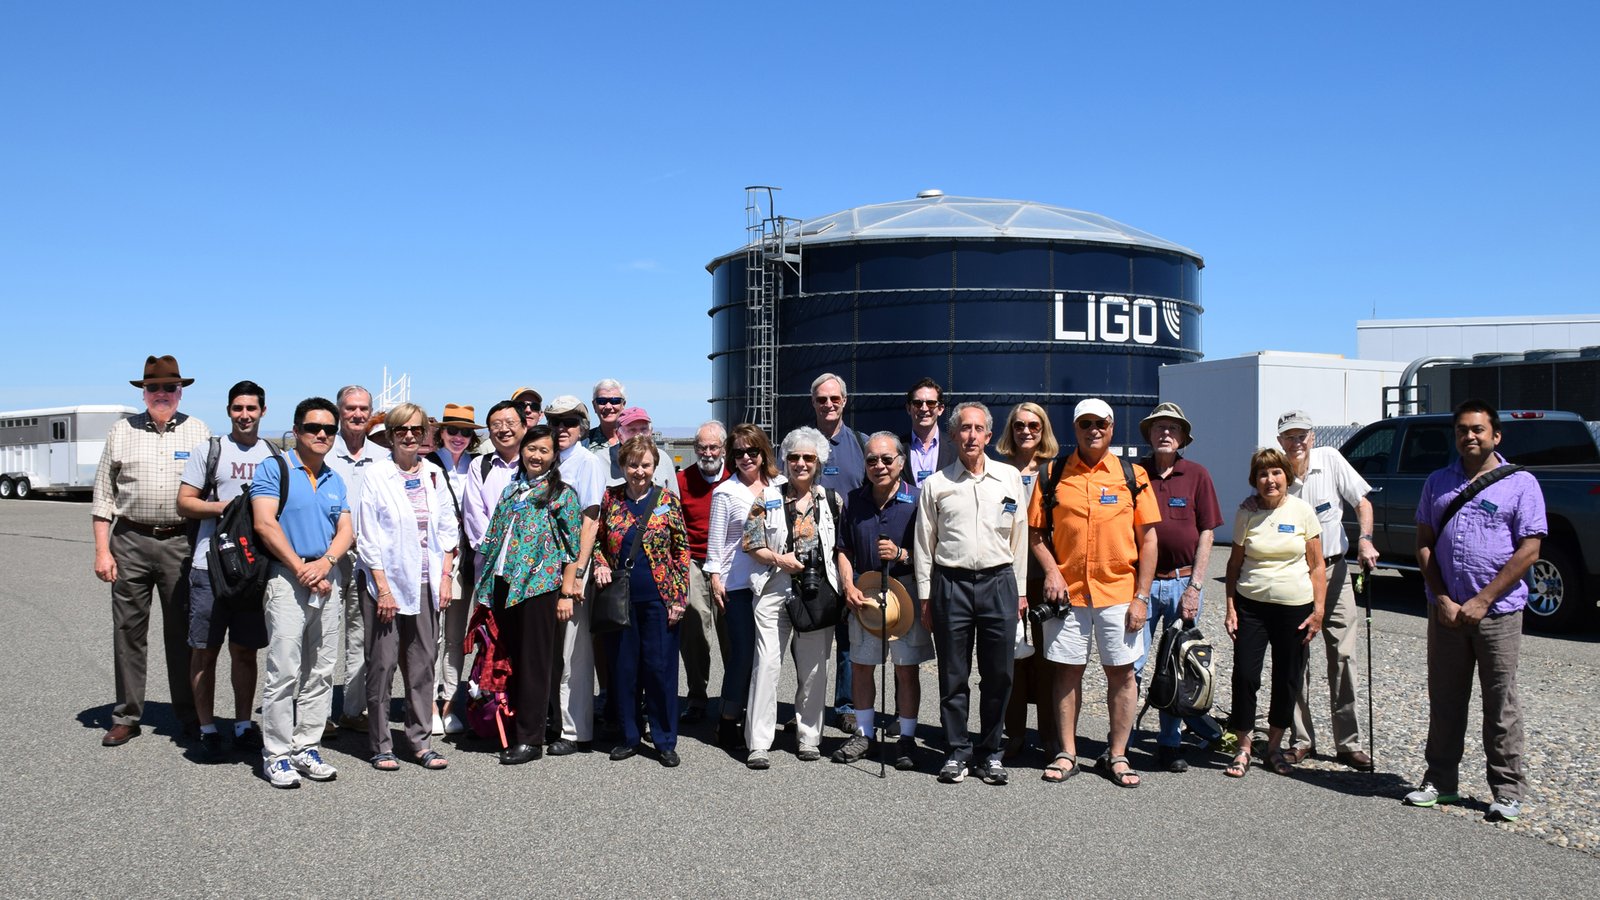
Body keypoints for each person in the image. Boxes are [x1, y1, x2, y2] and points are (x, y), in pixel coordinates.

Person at [1404, 400, 1545, 822]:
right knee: (1445, 700)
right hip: (1445, 613)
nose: (1470, 436)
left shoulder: (1521, 484)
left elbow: (1531, 550)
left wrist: (1483, 600)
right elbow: (1424, 543)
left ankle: (1505, 790)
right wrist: (1443, 597)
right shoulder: (1437, 482)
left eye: (1479, 430)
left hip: (1498, 613)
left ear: (1495, 435)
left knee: (1500, 702)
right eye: (1463, 430)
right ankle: (1441, 782)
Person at [1029, 399, 1159, 787]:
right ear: (1075, 428)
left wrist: (1142, 596)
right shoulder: (1052, 473)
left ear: (1112, 427)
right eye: (1085, 423)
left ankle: (1118, 755)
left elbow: (1148, 539)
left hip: (1119, 593)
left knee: (1121, 675)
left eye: (1100, 423)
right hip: (1068, 596)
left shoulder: (1131, 475)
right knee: (1067, 674)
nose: (1093, 430)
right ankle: (1067, 753)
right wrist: (1051, 570)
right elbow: (1036, 533)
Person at [92, 354, 211, 747]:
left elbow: (211, 490)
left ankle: (189, 715)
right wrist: (101, 551)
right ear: (143, 392)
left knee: (182, 633)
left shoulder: (198, 432)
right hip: (130, 541)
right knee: (128, 630)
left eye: (169, 387)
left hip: (180, 540)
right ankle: (127, 715)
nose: (162, 394)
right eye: (153, 388)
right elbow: (103, 496)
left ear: (180, 391)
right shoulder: (120, 431)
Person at [914, 401, 1028, 785]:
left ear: (989, 436)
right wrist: (926, 596)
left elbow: (1020, 537)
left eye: (978, 429)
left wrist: (1022, 592)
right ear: (953, 435)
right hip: (951, 585)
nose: (971, 436)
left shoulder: (1009, 478)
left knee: (999, 675)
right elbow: (924, 545)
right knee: (953, 674)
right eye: (964, 429)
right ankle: (956, 751)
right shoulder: (937, 484)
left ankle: (991, 752)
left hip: (999, 583)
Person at [252, 397, 353, 789]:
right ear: (297, 432)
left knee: (323, 669)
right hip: (287, 578)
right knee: (285, 670)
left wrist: (325, 564)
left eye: (330, 429)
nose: (323, 435)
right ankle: (276, 753)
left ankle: (306, 745)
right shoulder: (275, 468)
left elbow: (346, 530)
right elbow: (264, 524)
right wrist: (301, 569)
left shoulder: (335, 477)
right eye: (314, 428)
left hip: (327, 577)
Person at [1270, 409, 1378, 771]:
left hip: (1334, 569)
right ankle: (1302, 740)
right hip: (1296, 576)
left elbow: (1363, 502)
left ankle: (1348, 743)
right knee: (1297, 656)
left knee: (1343, 656)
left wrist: (1365, 540)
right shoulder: (1277, 473)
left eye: (1302, 435)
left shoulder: (1330, 460)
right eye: (1289, 436)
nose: (1296, 442)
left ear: (1313, 438)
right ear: (1280, 440)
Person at [355, 403, 459, 772]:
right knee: (382, 666)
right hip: (386, 585)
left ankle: (419, 741)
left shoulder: (433, 474)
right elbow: (366, 536)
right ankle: (381, 744)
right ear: (391, 435)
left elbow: (448, 530)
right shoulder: (377, 475)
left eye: (417, 429)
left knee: (422, 666)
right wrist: (383, 589)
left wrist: (446, 576)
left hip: (427, 583)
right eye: (402, 430)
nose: (411, 436)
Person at [471, 425, 583, 765]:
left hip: (539, 586)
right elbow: (492, 539)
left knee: (536, 662)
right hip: (504, 584)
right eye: (531, 448)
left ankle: (531, 738)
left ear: (554, 457)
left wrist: (566, 591)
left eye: (544, 451)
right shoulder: (511, 490)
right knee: (510, 659)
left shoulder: (561, 494)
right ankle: (513, 725)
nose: (536, 455)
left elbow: (572, 548)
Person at [176, 380, 276, 760]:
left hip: (252, 570)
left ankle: (242, 724)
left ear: (263, 412)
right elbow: (185, 502)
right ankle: (206, 728)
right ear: (229, 411)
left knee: (245, 651)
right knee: (205, 650)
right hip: (209, 566)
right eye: (238, 408)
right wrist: (227, 508)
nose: (245, 415)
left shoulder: (272, 454)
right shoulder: (210, 450)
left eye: (252, 408)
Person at [741, 426, 843, 768]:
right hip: (774, 588)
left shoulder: (831, 501)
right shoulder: (767, 497)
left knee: (815, 668)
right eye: (795, 457)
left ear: (818, 461)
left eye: (808, 457)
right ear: (785, 460)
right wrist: (780, 559)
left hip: (817, 594)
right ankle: (758, 742)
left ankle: (809, 737)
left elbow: (841, 549)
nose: (801, 463)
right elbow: (751, 543)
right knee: (768, 664)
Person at [1221, 447, 1326, 779]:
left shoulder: (1303, 511)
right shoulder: (1246, 513)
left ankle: (1275, 747)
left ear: (1287, 476)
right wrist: (1230, 608)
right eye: (1263, 474)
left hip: (1294, 608)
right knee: (1245, 676)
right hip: (1251, 607)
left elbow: (1317, 566)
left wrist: (1319, 611)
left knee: (1287, 678)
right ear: (1255, 480)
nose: (1270, 480)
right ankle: (1243, 747)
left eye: (1276, 472)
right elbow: (1234, 565)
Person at [1134, 402, 1225, 772]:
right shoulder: (1135, 473)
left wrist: (1196, 586)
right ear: (1149, 434)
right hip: (1141, 584)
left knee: (1178, 667)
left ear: (1184, 437)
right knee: (1131, 664)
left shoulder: (1197, 475)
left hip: (1183, 582)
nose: (1165, 433)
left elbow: (1207, 531)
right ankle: (1121, 741)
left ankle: (1170, 742)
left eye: (1173, 428)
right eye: (1158, 428)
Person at [831, 432, 932, 769]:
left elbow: (933, 552)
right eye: (872, 459)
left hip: (904, 591)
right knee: (861, 665)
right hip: (865, 591)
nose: (879, 466)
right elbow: (842, 548)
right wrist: (848, 583)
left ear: (901, 463)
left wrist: (902, 553)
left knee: (905, 668)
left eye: (887, 459)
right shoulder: (854, 499)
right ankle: (863, 733)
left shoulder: (917, 499)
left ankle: (905, 736)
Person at [592, 435, 692, 767]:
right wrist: (601, 563)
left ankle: (664, 740)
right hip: (620, 599)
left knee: (660, 669)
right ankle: (630, 736)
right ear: (622, 466)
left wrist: (679, 597)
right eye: (632, 465)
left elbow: (681, 552)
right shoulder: (611, 499)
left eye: (645, 465)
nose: (639, 471)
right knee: (624, 669)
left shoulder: (667, 500)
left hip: (660, 598)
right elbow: (596, 541)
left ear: (654, 466)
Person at [705, 423, 777, 751]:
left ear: (763, 453)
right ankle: (728, 718)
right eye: (738, 453)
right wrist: (715, 579)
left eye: (752, 451)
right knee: (743, 653)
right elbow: (716, 542)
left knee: (768, 656)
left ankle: (758, 716)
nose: (746, 458)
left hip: (776, 582)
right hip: (738, 584)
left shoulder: (780, 486)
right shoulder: (725, 492)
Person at [996, 401, 1060, 761]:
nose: (1026, 431)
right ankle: (1015, 734)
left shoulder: (1056, 471)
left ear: (1043, 430)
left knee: (1050, 658)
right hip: (1007, 575)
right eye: (1019, 425)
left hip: (1044, 577)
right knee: (1012, 658)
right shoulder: (998, 471)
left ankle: (1051, 737)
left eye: (1033, 426)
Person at [543, 396, 608, 755]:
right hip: (544, 573)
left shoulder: (587, 463)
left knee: (574, 653)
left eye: (569, 422)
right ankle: (554, 720)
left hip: (572, 570)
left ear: (582, 427)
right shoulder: (548, 460)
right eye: (555, 422)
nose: (561, 429)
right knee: (552, 652)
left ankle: (575, 730)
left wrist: (578, 573)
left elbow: (590, 519)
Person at [325, 384, 390, 735]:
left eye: (364, 408)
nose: (357, 414)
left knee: (359, 634)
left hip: (367, 556)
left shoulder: (382, 458)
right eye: (350, 408)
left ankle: (353, 709)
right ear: (339, 411)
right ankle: (317, 715)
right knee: (321, 634)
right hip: (328, 556)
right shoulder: (323, 452)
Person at [810, 372, 865, 733]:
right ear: (812, 403)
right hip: (810, 554)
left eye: (835, 399)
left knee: (848, 638)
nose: (829, 404)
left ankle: (845, 705)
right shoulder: (801, 443)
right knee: (809, 635)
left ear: (845, 401)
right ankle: (807, 705)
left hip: (849, 553)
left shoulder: (861, 443)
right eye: (821, 400)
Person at [426, 403, 480, 735]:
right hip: (435, 558)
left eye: (465, 432)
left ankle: (449, 702)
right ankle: (428, 702)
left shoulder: (477, 467)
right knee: (432, 634)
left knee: (455, 636)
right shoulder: (427, 465)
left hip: (467, 560)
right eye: (452, 431)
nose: (458, 437)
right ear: (441, 433)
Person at [675, 421, 732, 724]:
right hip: (694, 560)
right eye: (702, 447)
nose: (708, 452)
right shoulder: (682, 480)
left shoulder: (738, 478)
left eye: (713, 447)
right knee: (695, 625)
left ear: (723, 448)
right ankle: (697, 695)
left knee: (731, 629)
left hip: (729, 562)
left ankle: (734, 697)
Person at [463, 401, 527, 578]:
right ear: (489, 432)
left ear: (524, 426)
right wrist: (498, 551)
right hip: (489, 566)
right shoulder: (480, 466)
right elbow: (473, 515)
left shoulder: (536, 464)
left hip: (528, 567)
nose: (503, 429)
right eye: (496, 425)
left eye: (510, 423)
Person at [605, 406, 678, 495]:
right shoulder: (601, 460)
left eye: (644, 429)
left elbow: (675, 499)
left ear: (650, 432)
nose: (639, 435)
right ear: (619, 435)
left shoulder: (663, 458)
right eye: (632, 430)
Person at [903, 378, 955, 487]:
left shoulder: (956, 448)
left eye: (931, 403)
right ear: (908, 408)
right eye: (917, 403)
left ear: (940, 409)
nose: (924, 408)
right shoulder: (897, 447)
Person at [586, 379, 626, 451]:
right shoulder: (584, 443)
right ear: (594, 406)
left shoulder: (636, 439)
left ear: (623, 405)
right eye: (602, 401)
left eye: (615, 401)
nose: (608, 407)